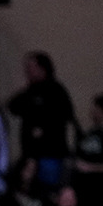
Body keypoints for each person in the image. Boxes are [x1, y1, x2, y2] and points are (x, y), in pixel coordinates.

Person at [7, 51, 74, 184]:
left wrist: (44, 129)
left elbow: (66, 114)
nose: (27, 71)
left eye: (30, 67)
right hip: (30, 155)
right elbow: (13, 107)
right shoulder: (29, 92)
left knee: (48, 189)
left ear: (42, 68)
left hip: (50, 154)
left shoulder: (56, 90)